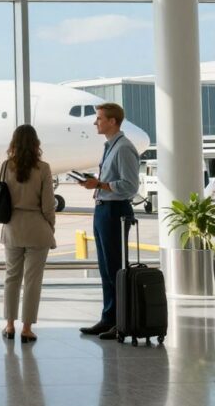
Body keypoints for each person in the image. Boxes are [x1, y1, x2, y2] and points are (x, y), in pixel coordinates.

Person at [78, 102, 140, 341]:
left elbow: (130, 186)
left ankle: (119, 321)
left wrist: (100, 185)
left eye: (99, 118)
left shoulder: (123, 148)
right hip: (103, 208)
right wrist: (95, 183)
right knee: (105, 268)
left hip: (115, 210)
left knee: (114, 267)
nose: (96, 122)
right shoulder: (109, 147)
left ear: (112, 121)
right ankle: (108, 317)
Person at [0, 125, 56, 343]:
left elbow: (0, 195)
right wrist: (50, 227)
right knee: (33, 281)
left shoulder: (6, 166)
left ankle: (9, 325)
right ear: (36, 144)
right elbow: (48, 204)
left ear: (13, 143)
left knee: (11, 277)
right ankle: (27, 328)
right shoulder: (43, 168)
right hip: (37, 228)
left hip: (12, 227)